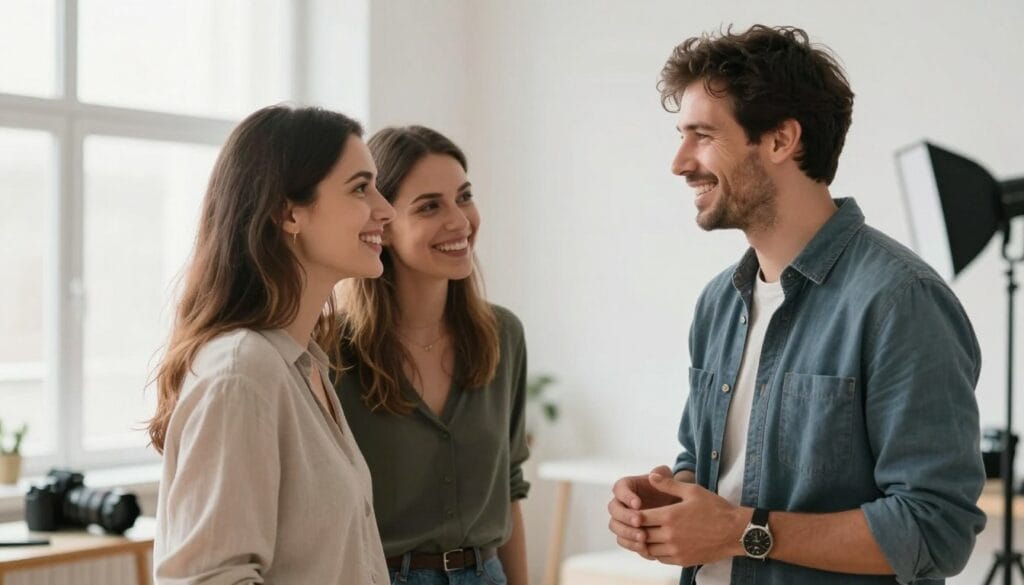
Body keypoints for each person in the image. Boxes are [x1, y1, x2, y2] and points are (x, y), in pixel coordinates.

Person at [608, 25, 986, 585]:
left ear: (782, 140)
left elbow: (935, 529)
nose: (680, 162)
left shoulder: (900, 302)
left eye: (702, 135)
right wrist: (667, 501)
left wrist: (740, 531)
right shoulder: (719, 302)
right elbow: (709, 465)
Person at [149, 105, 396, 584]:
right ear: (289, 212)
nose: (384, 209)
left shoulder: (303, 366)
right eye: (360, 187)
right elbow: (209, 578)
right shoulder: (243, 373)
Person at [334, 125, 529, 585]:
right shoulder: (330, 351)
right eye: (429, 206)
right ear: (380, 221)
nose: (460, 221)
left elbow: (510, 487)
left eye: (464, 196)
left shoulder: (504, 335)